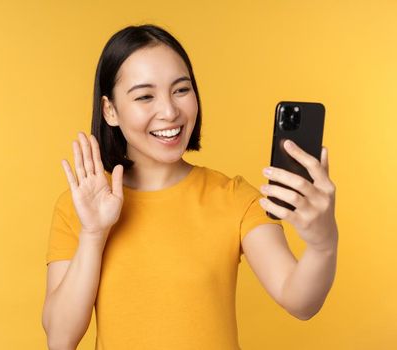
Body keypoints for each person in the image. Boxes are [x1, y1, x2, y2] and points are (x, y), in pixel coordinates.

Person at [40, 24, 339, 350]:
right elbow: (60, 339)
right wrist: (93, 234)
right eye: (145, 96)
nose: (170, 112)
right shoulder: (79, 207)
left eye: (181, 90)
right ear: (110, 110)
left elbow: (300, 300)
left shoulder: (234, 198)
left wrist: (323, 243)